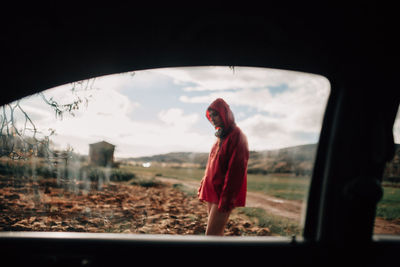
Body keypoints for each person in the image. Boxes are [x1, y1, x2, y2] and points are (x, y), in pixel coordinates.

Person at [198, 98, 249, 236]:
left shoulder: (237, 136)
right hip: (212, 191)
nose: (212, 118)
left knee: (211, 236)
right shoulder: (220, 136)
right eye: (211, 115)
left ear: (224, 113)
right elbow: (211, 165)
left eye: (216, 114)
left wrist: (227, 199)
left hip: (223, 194)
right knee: (216, 235)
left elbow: (236, 171)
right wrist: (203, 185)